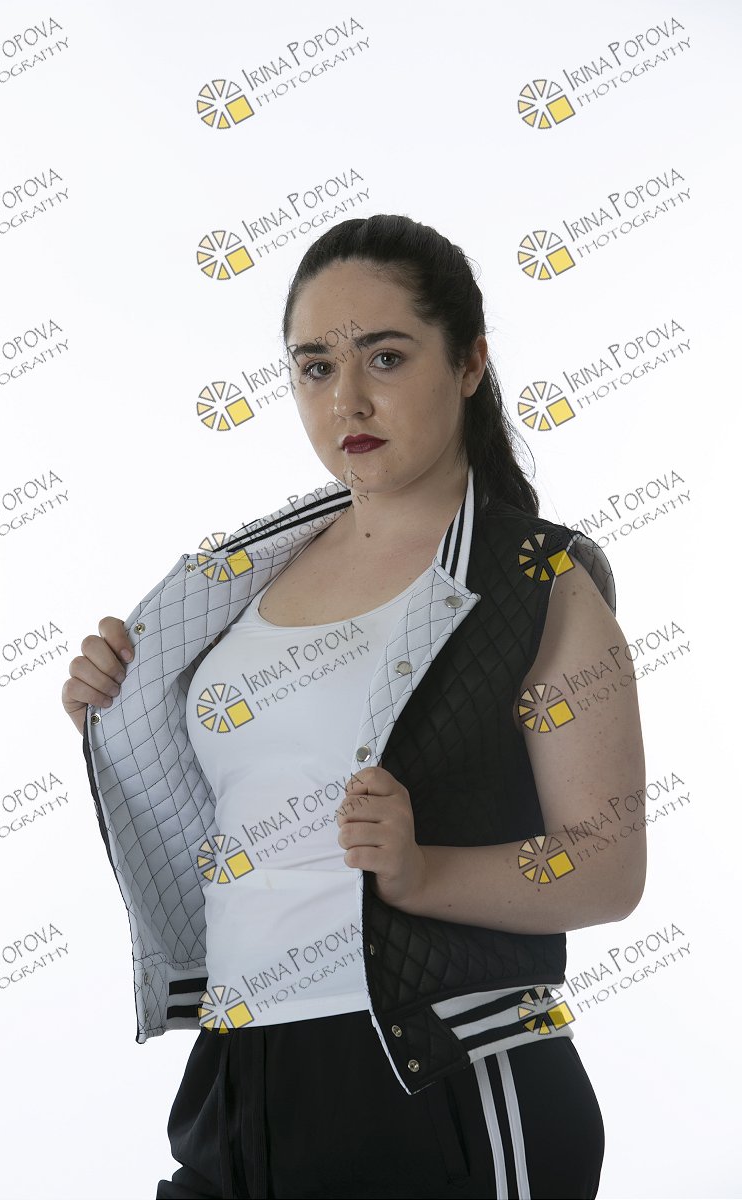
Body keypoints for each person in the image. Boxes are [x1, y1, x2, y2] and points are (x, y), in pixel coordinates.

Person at [62, 214, 646, 1199]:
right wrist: (112, 713)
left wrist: (422, 871)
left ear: (469, 363)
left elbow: (607, 870)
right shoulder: (235, 584)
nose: (348, 399)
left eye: (385, 357)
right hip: (238, 1075)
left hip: (445, 1081)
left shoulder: (537, 583)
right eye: (315, 368)